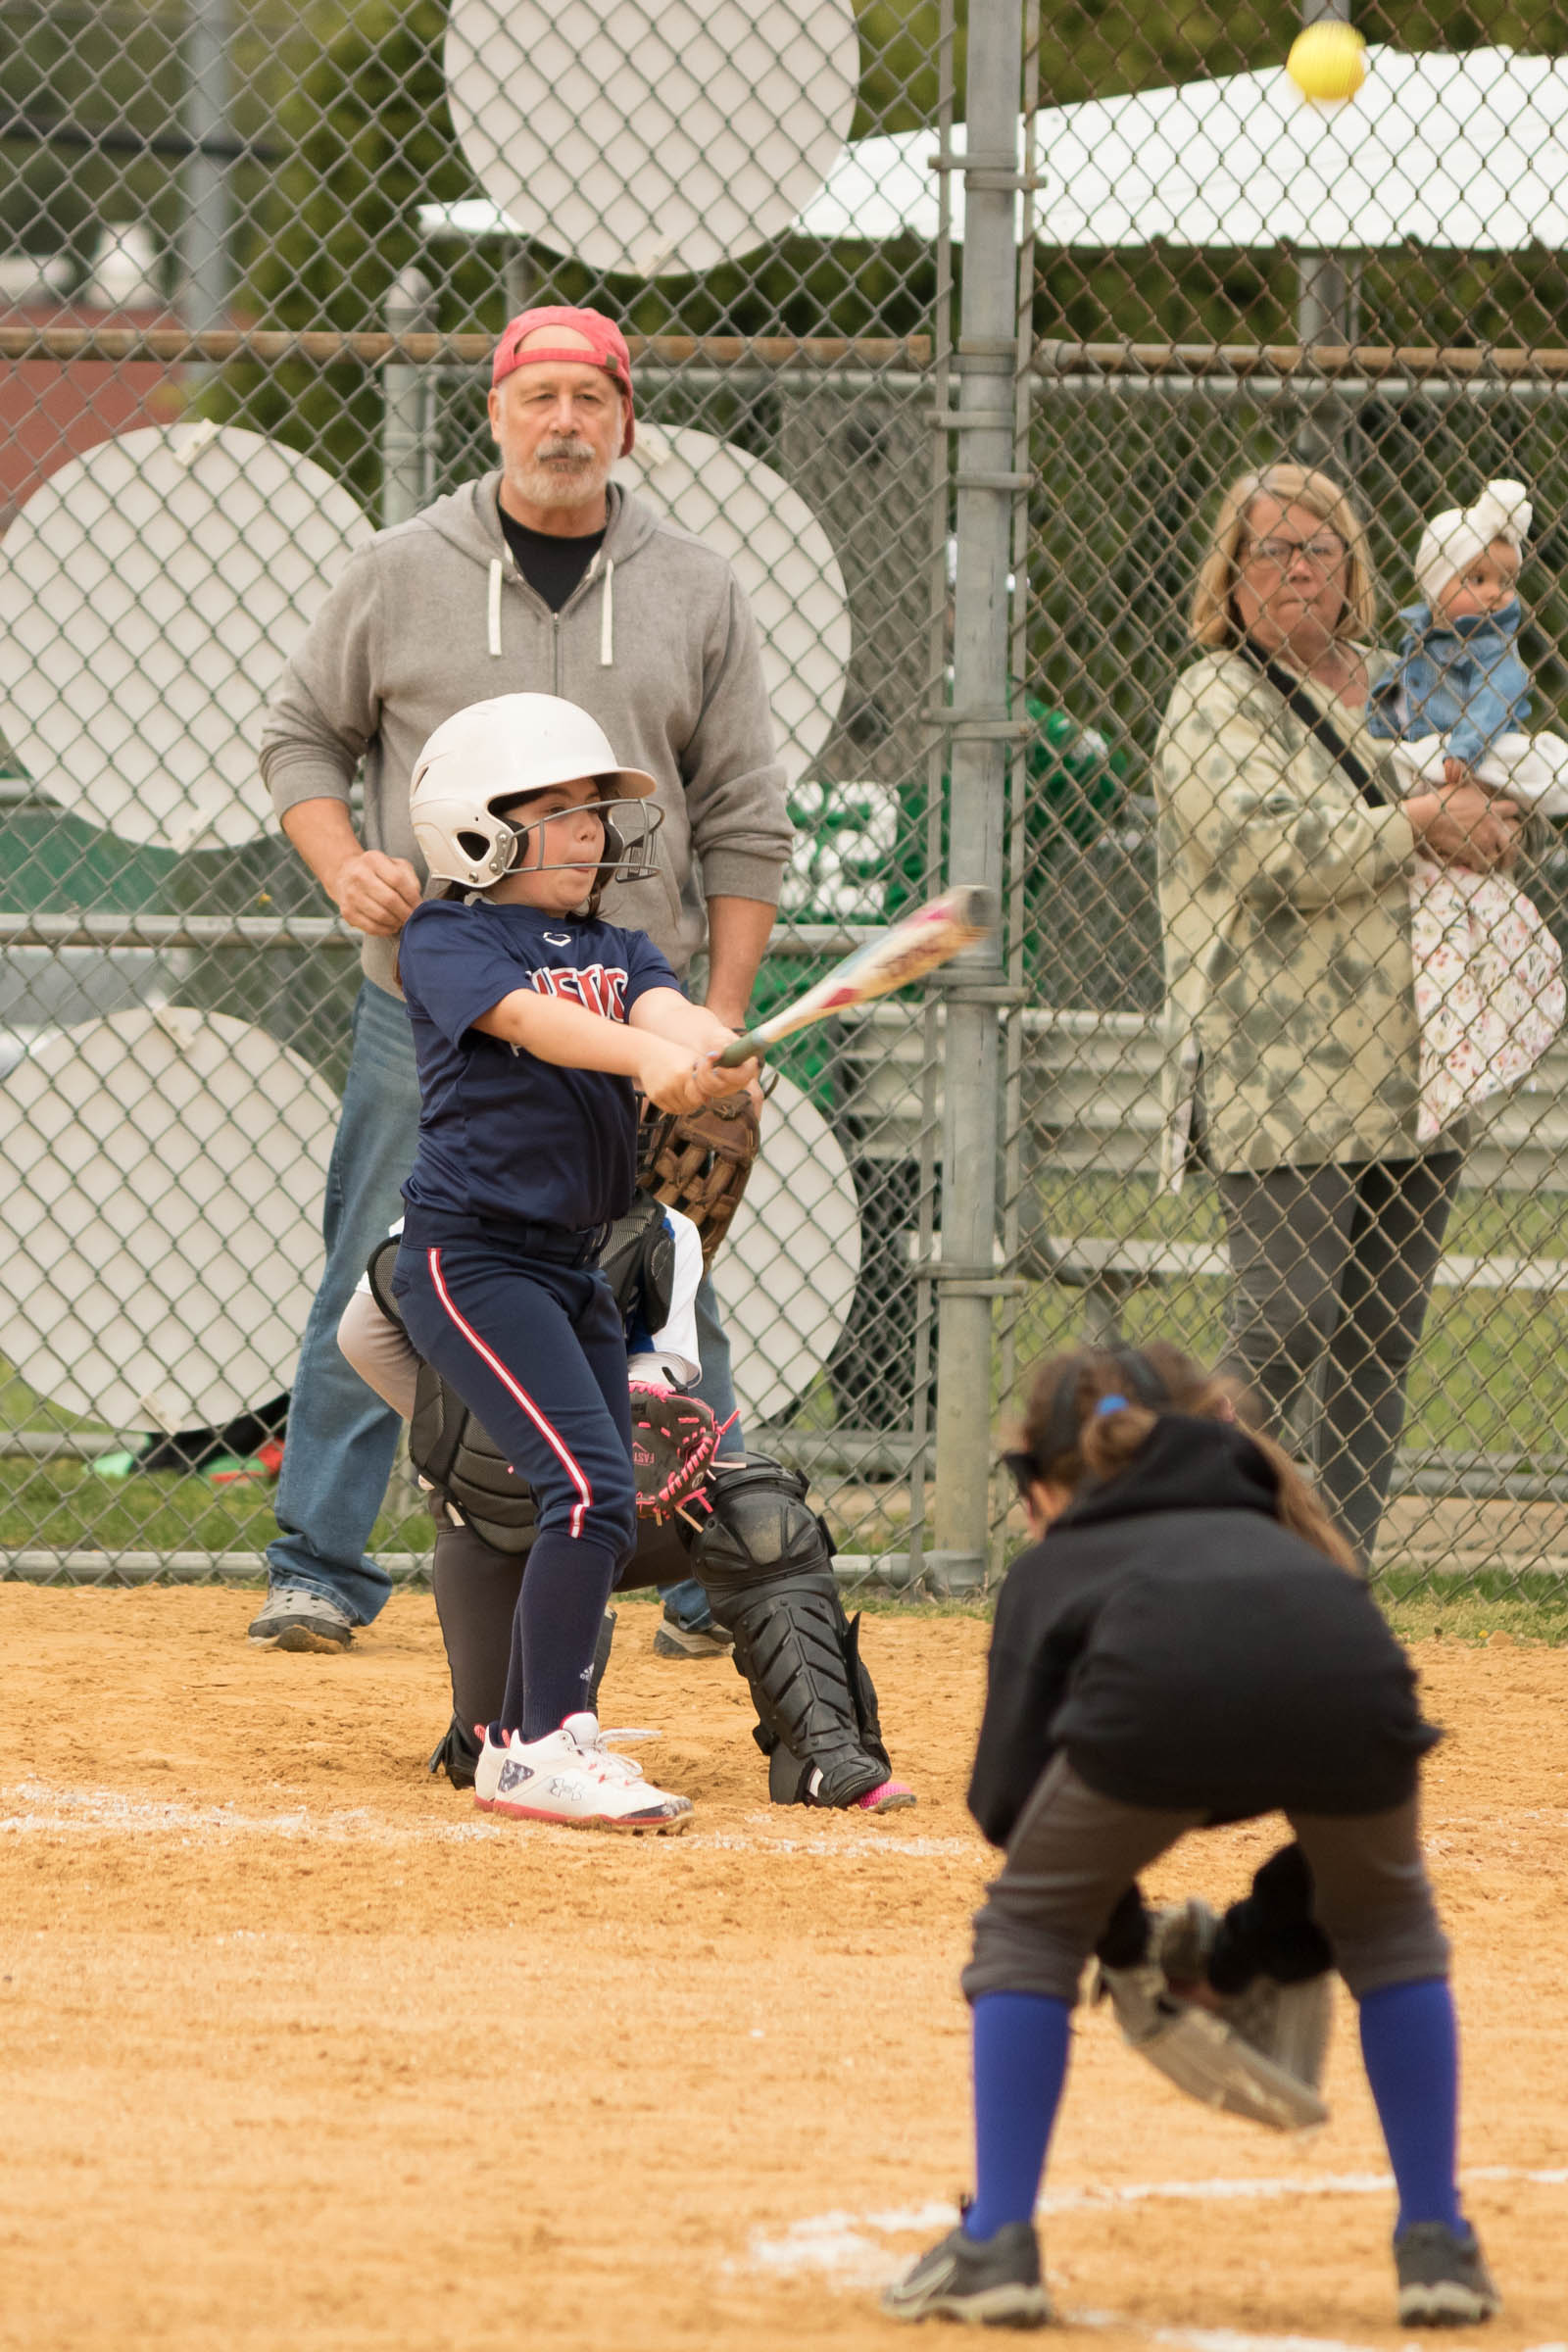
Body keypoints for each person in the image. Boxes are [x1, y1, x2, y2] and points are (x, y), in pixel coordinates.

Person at [252, 302, 790, 1653]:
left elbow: (744, 812)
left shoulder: (697, 587)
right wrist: (344, 868)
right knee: (382, 1269)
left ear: (627, 423)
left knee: (662, 1278)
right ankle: (318, 1565)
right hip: (436, 1003)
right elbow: (303, 737)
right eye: (537, 396)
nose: (563, 422)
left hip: (629, 1003)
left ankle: (706, 1577)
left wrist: (718, 1018)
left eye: (589, 399)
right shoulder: (401, 570)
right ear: (493, 414)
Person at [883, 1341, 1499, 2331]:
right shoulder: (1299, 1547)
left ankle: (996, 2243)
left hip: (1152, 1705)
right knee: (1390, 1926)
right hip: (1353, 1674)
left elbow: (1007, 1805)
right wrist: (1251, 1948)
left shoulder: (1061, 1562)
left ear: (1041, 1481)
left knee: (1028, 1929)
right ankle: (1439, 2244)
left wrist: (1124, 1942)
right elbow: (1341, 1856)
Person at [387, 689, 758, 1830]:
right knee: (587, 1487)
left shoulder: (614, 945)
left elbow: (666, 1010)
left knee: (608, 1496)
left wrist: (712, 1047)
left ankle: (538, 1730)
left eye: (595, 810)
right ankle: (536, 1747)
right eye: (558, 810)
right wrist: (644, 1057)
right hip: (471, 1258)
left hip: (571, 1264)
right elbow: (535, 1024)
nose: (591, 830)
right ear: (475, 826)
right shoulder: (446, 938)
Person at [1155, 461, 1524, 1568]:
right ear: (1231, 575)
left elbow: (1492, 795)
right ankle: (1185, 1549)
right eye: (1270, 550)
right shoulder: (1215, 696)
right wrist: (1418, 823)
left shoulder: (1413, 681)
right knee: (1284, 1323)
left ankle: (1334, 1581)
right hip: (1281, 1069)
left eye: (1320, 549)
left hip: (1420, 1065)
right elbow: (1261, 844)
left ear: (1355, 570)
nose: (1298, 570)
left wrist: (1498, 824)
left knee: (1378, 1338)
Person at [339, 1190, 916, 1814]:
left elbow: (653, 1383)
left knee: (763, 1517)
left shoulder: (665, 1231)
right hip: (495, 1523)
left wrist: (504, 1440)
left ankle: (827, 1753)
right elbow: (363, 1335)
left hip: (604, 1508)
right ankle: (552, 1688)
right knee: (491, 1748)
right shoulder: (454, 1204)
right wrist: (478, 1437)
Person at [1367, 477, 1565, 1144]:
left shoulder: (1493, 647)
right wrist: (1386, 727)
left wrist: (1464, 750)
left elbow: (1499, 697)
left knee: (1534, 763)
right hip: (1434, 753)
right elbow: (1396, 695)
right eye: (1476, 578)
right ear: (1435, 585)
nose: (1495, 594)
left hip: (1478, 748)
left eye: (1504, 582)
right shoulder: (1415, 639)